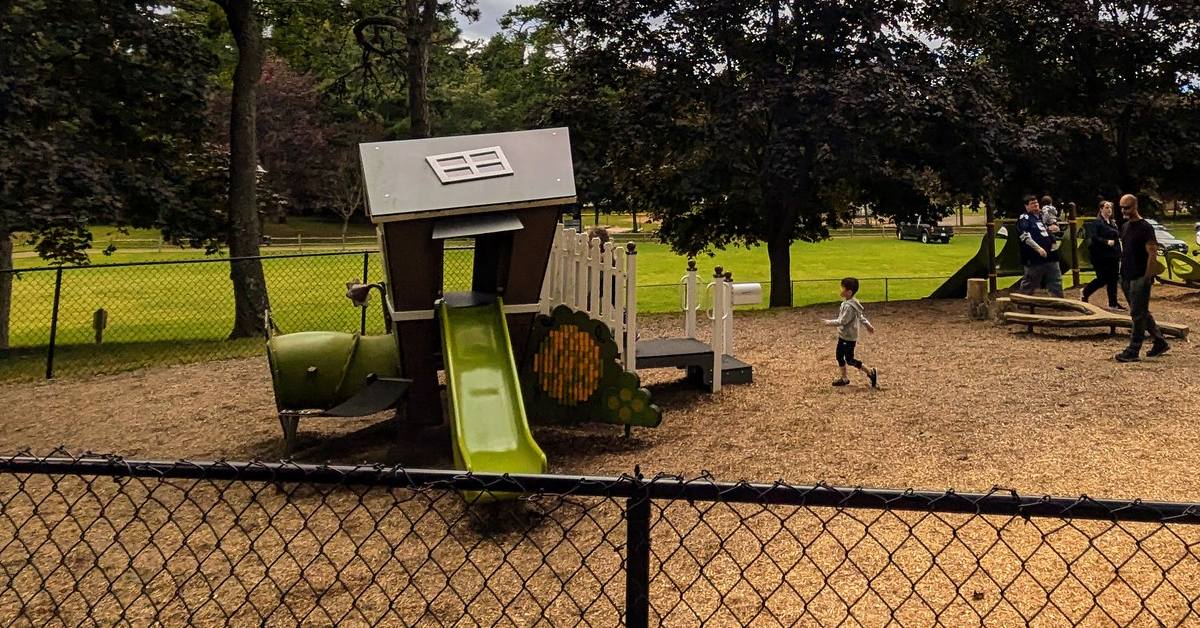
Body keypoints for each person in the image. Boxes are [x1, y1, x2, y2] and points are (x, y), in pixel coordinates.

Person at [1115, 194, 1168, 362]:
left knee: (1137, 315)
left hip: (1140, 275)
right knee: (1140, 312)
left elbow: (1152, 254)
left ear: (1135, 206)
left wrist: (1148, 276)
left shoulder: (1145, 228)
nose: (1124, 211)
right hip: (1126, 275)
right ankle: (1160, 341)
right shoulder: (1124, 227)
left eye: (1127, 207)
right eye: (1122, 207)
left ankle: (1133, 349)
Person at [823, 277, 878, 388]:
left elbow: (842, 321)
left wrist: (828, 322)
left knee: (849, 359)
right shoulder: (850, 303)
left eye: (842, 288)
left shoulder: (849, 306)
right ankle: (844, 378)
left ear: (849, 292)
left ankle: (870, 372)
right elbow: (861, 317)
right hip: (845, 336)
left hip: (848, 337)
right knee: (839, 356)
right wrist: (868, 325)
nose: (840, 290)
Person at [1016, 195, 1064, 297]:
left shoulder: (1044, 215)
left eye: (1036, 203)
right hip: (1034, 255)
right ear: (1026, 206)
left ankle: (1058, 302)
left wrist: (1055, 227)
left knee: (1056, 278)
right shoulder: (1025, 218)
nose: (1035, 205)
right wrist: (1038, 249)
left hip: (1051, 254)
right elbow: (1025, 236)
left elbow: (1055, 226)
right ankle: (1024, 302)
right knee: (1031, 280)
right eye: (1032, 204)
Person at [1081, 200, 1123, 310]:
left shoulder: (1112, 222)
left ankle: (1113, 303)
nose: (1109, 210)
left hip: (1113, 255)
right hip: (1100, 256)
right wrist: (1106, 241)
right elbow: (1094, 237)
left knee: (1113, 279)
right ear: (1101, 209)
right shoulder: (1097, 223)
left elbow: (1117, 237)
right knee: (1103, 278)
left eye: (1110, 208)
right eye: (1106, 207)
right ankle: (1086, 291)